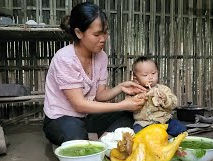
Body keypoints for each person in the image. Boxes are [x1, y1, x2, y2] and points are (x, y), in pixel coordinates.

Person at [43, 2, 146, 146]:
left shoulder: (101, 56)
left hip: (87, 117)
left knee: (130, 116)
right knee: (76, 134)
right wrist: (122, 104)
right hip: (60, 119)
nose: (103, 39)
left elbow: (100, 95)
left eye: (105, 32)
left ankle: (102, 144)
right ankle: (95, 142)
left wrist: (121, 87)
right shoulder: (65, 58)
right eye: (97, 34)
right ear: (79, 33)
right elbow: (79, 105)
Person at [131, 56, 187, 136]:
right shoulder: (134, 91)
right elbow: (130, 106)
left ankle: (167, 137)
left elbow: (174, 104)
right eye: (145, 75)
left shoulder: (163, 89)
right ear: (136, 78)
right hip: (144, 123)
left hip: (164, 121)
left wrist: (165, 99)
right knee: (137, 132)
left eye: (153, 73)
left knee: (180, 128)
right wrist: (140, 97)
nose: (150, 77)